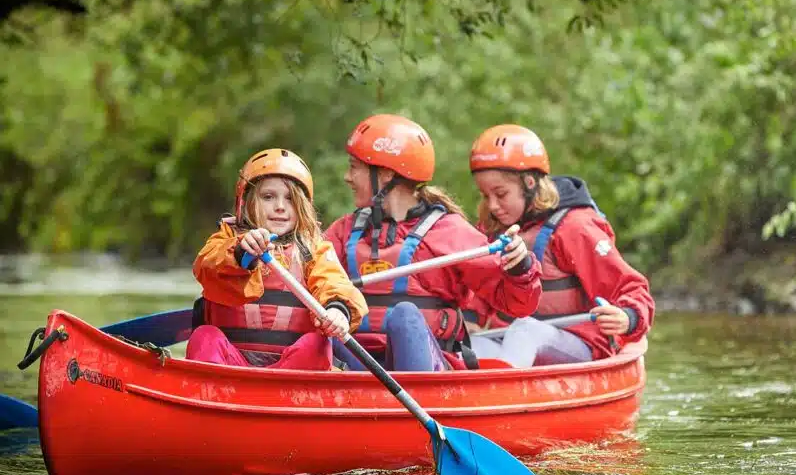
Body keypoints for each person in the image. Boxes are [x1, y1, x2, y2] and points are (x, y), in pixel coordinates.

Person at [323, 113, 542, 371]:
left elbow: (519, 304)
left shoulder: (449, 231)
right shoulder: (344, 231)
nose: (348, 177)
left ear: (384, 174)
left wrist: (520, 266)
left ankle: (409, 398)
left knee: (405, 315)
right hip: (359, 371)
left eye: (354, 167)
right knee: (323, 327)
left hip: (428, 374)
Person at [465, 124, 655, 367]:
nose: (492, 206)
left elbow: (632, 288)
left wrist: (627, 318)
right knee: (469, 345)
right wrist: (468, 319)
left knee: (525, 331)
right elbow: (480, 290)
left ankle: (504, 394)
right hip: (511, 344)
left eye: (500, 194)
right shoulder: (494, 229)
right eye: (485, 195)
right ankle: (485, 395)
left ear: (530, 184)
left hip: (577, 347)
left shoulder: (576, 227)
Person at [188, 148, 368, 370]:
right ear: (247, 202)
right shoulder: (227, 239)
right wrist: (241, 252)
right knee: (204, 336)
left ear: (302, 205)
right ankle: (211, 394)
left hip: (290, 371)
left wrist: (337, 310)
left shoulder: (313, 248)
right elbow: (207, 266)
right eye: (268, 197)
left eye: (290, 199)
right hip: (232, 367)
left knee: (316, 343)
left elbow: (334, 283)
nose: (280, 206)